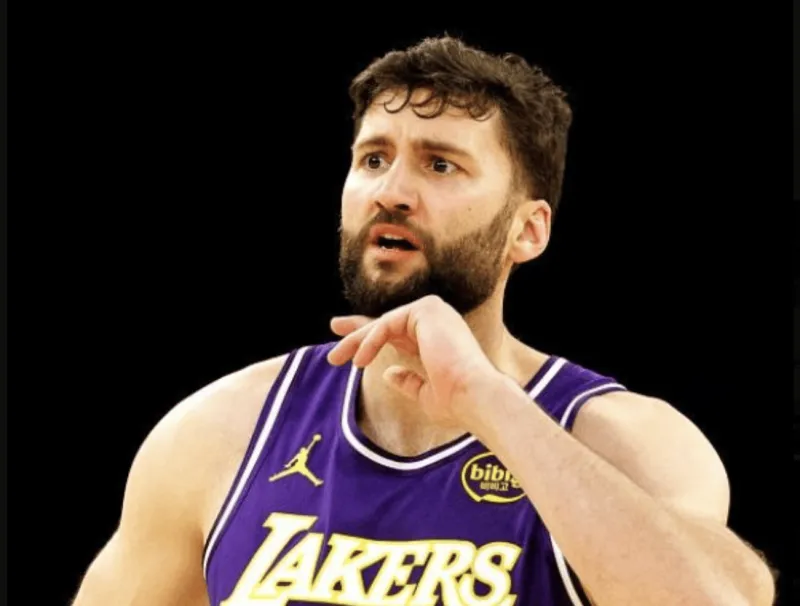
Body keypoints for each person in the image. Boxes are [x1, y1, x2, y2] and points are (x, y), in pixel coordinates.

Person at [71, 35, 776, 606]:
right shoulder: (222, 431)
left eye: (440, 166)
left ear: (527, 231)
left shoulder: (623, 439)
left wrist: (487, 400)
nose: (391, 192)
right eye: (373, 159)